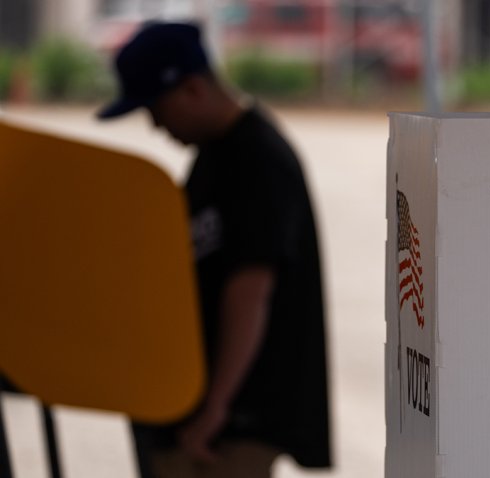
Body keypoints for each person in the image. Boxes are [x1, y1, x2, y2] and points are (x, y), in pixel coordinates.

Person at [97, 21, 331, 478]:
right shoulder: (218, 156)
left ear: (191, 89)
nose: (156, 126)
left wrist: (215, 407)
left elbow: (250, 289)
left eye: (156, 109)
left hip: (231, 426)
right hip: (208, 416)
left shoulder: (256, 159)